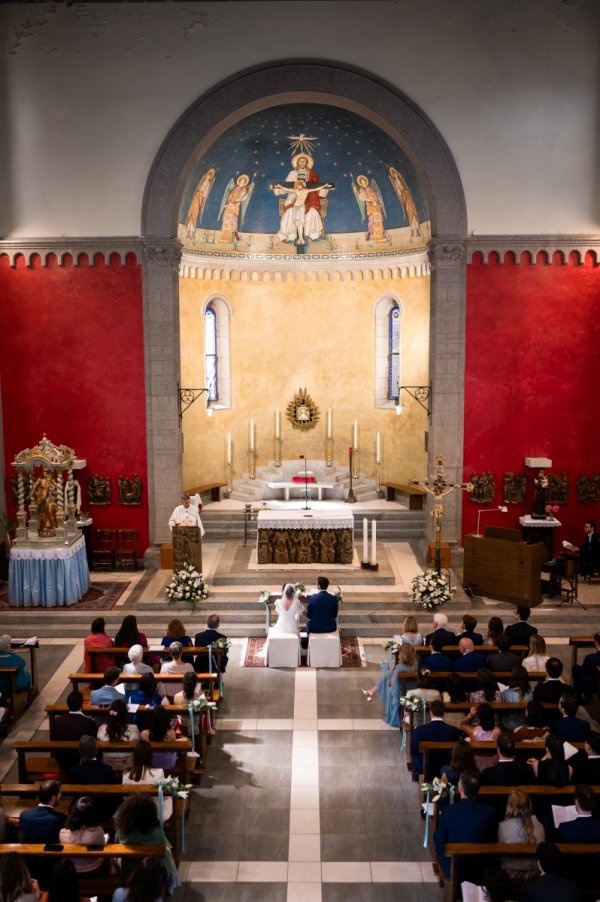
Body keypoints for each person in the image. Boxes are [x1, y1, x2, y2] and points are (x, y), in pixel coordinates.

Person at [434, 769, 497, 879]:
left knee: (437, 836)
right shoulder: (489, 812)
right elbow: (493, 838)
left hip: (455, 869)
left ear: (460, 788)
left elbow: (440, 842)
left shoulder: (448, 811)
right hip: (482, 868)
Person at [113, 794, 175, 887]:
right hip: (152, 874)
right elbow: (162, 849)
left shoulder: (122, 832)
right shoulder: (156, 832)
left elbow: (116, 845)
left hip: (127, 872)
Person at [362, 645, 417, 727]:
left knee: (387, 681)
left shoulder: (399, 668)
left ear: (402, 656)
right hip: (413, 690)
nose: (398, 656)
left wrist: (390, 685)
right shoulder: (415, 665)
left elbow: (395, 688)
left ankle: (373, 692)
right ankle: (372, 691)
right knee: (389, 674)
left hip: (402, 692)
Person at [497, 790, 545, 878]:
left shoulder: (502, 826)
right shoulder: (539, 825)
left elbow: (500, 856)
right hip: (533, 872)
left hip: (509, 873)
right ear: (529, 805)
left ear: (509, 806)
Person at [122, 739, 172, 821]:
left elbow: (125, 797)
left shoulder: (126, 775)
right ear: (150, 756)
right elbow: (164, 795)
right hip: (154, 812)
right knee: (168, 796)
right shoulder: (158, 773)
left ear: (135, 757)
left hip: (134, 813)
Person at [272, 180, 333, 245]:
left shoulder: (306, 191)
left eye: (300, 185)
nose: (298, 187)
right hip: (295, 206)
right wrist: (279, 186)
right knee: (294, 221)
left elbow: (316, 188)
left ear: (302, 185)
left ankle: (302, 238)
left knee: (300, 222)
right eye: (297, 185)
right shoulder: (296, 191)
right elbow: (287, 189)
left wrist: (324, 185)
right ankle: (293, 236)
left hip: (301, 207)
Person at [410, 698, 461, 776]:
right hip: (445, 766)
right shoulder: (454, 731)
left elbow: (413, 751)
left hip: (424, 766)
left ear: (430, 713)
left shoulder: (418, 731)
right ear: (444, 713)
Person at [59, 796, 105, 875]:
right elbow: (102, 846)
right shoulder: (98, 831)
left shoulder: (63, 833)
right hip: (93, 867)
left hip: (71, 867)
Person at [96, 699, 140, 773]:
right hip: (128, 768)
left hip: (108, 767)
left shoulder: (102, 729)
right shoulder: (134, 729)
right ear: (125, 715)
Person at [218, 173, 254, 244]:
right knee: (226, 220)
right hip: (229, 205)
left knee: (233, 219)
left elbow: (242, 198)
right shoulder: (235, 188)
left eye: (244, 181)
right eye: (241, 181)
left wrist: (248, 192)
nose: (242, 182)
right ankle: (224, 237)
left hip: (235, 205)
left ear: (244, 183)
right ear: (239, 181)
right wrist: (229, 202)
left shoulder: (243, 189)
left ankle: (234, 234)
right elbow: (230, 196)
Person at [387, 165, 421, 238]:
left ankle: (417, 230)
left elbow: (405, 187)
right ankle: (412, 230)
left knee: (414, 214)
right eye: (393, 174)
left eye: (395, 173)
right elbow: (398, 190)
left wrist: (405, 191)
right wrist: (402, 193)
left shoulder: (401, 180)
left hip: (408, 197)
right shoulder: (396, 181)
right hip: (405, 197)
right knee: (410, 214)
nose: (395, 174)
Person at [351, 174, 387, 242]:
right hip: (370, 205)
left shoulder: (370, 188)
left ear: (366, 181)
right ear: (360, 183)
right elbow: (361, 198)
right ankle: (371, 234)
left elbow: (375, 195)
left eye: (364, 180)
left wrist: (376, 202)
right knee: (371, 220)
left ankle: (380, 234)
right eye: (361, 181)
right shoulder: (361, 190)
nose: (363, 182)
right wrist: (356, 191)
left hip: (375, 205)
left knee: (379, 218)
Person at [140, 707, 177, 772]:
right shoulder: (171, 733)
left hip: (150, 763)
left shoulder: (144, 734)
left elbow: (142, 751)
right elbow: (173, 749)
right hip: (167, 763)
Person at [499, 665, 532, 730]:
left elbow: (502, 712)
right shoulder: (531, 693)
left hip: (508, 724)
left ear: (513, 678)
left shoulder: (505, 693)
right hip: (525, 723)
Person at [572, 631, 600, 701]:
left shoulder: (590, 658)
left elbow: (583, 671)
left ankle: (577, 695)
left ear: (596, 643)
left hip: (595, 685)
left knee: (576, 669)